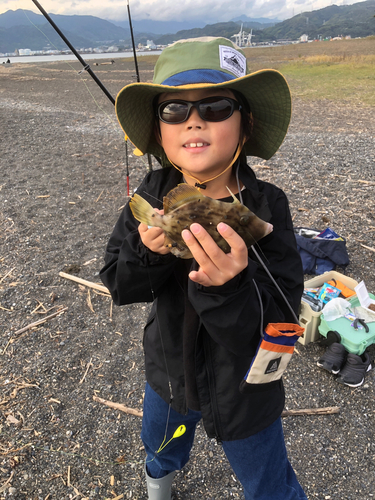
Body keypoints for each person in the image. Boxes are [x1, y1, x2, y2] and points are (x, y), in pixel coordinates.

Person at [100, 37, 306, 500]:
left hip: (247, 389)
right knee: (161, 445)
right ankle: (159, 486)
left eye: (216, 106)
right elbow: (118, 282)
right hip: (169, 371)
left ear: (245, 125)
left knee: (268, 481)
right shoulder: (153, 195)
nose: (194, 119)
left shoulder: (268, 208)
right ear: (159, 132)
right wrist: (146, 250)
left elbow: (283, 321)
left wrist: (229, 288)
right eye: (173, 109)